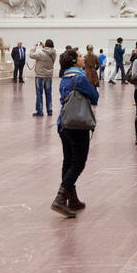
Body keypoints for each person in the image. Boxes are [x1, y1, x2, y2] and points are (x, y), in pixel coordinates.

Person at [52, 49, 99, 218]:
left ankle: (72, 199)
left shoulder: (65, 77)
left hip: (63, 123)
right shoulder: (80, 77)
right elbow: (94, 97)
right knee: (78, 163)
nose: (82, 58)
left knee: (68, 160)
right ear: (73, 61)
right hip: (77, 126)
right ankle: (60, 197)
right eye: (79, 56)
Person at [30, 39, 57, 116]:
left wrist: (34, 47)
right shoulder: (54, 53)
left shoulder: (40, 53)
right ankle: (49, 109)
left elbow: (31, 55)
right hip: (49, 75)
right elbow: (48, 51)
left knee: (39, 93)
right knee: (48, 93)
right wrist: (44, 47)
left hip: (40, 76)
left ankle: (40, 111)